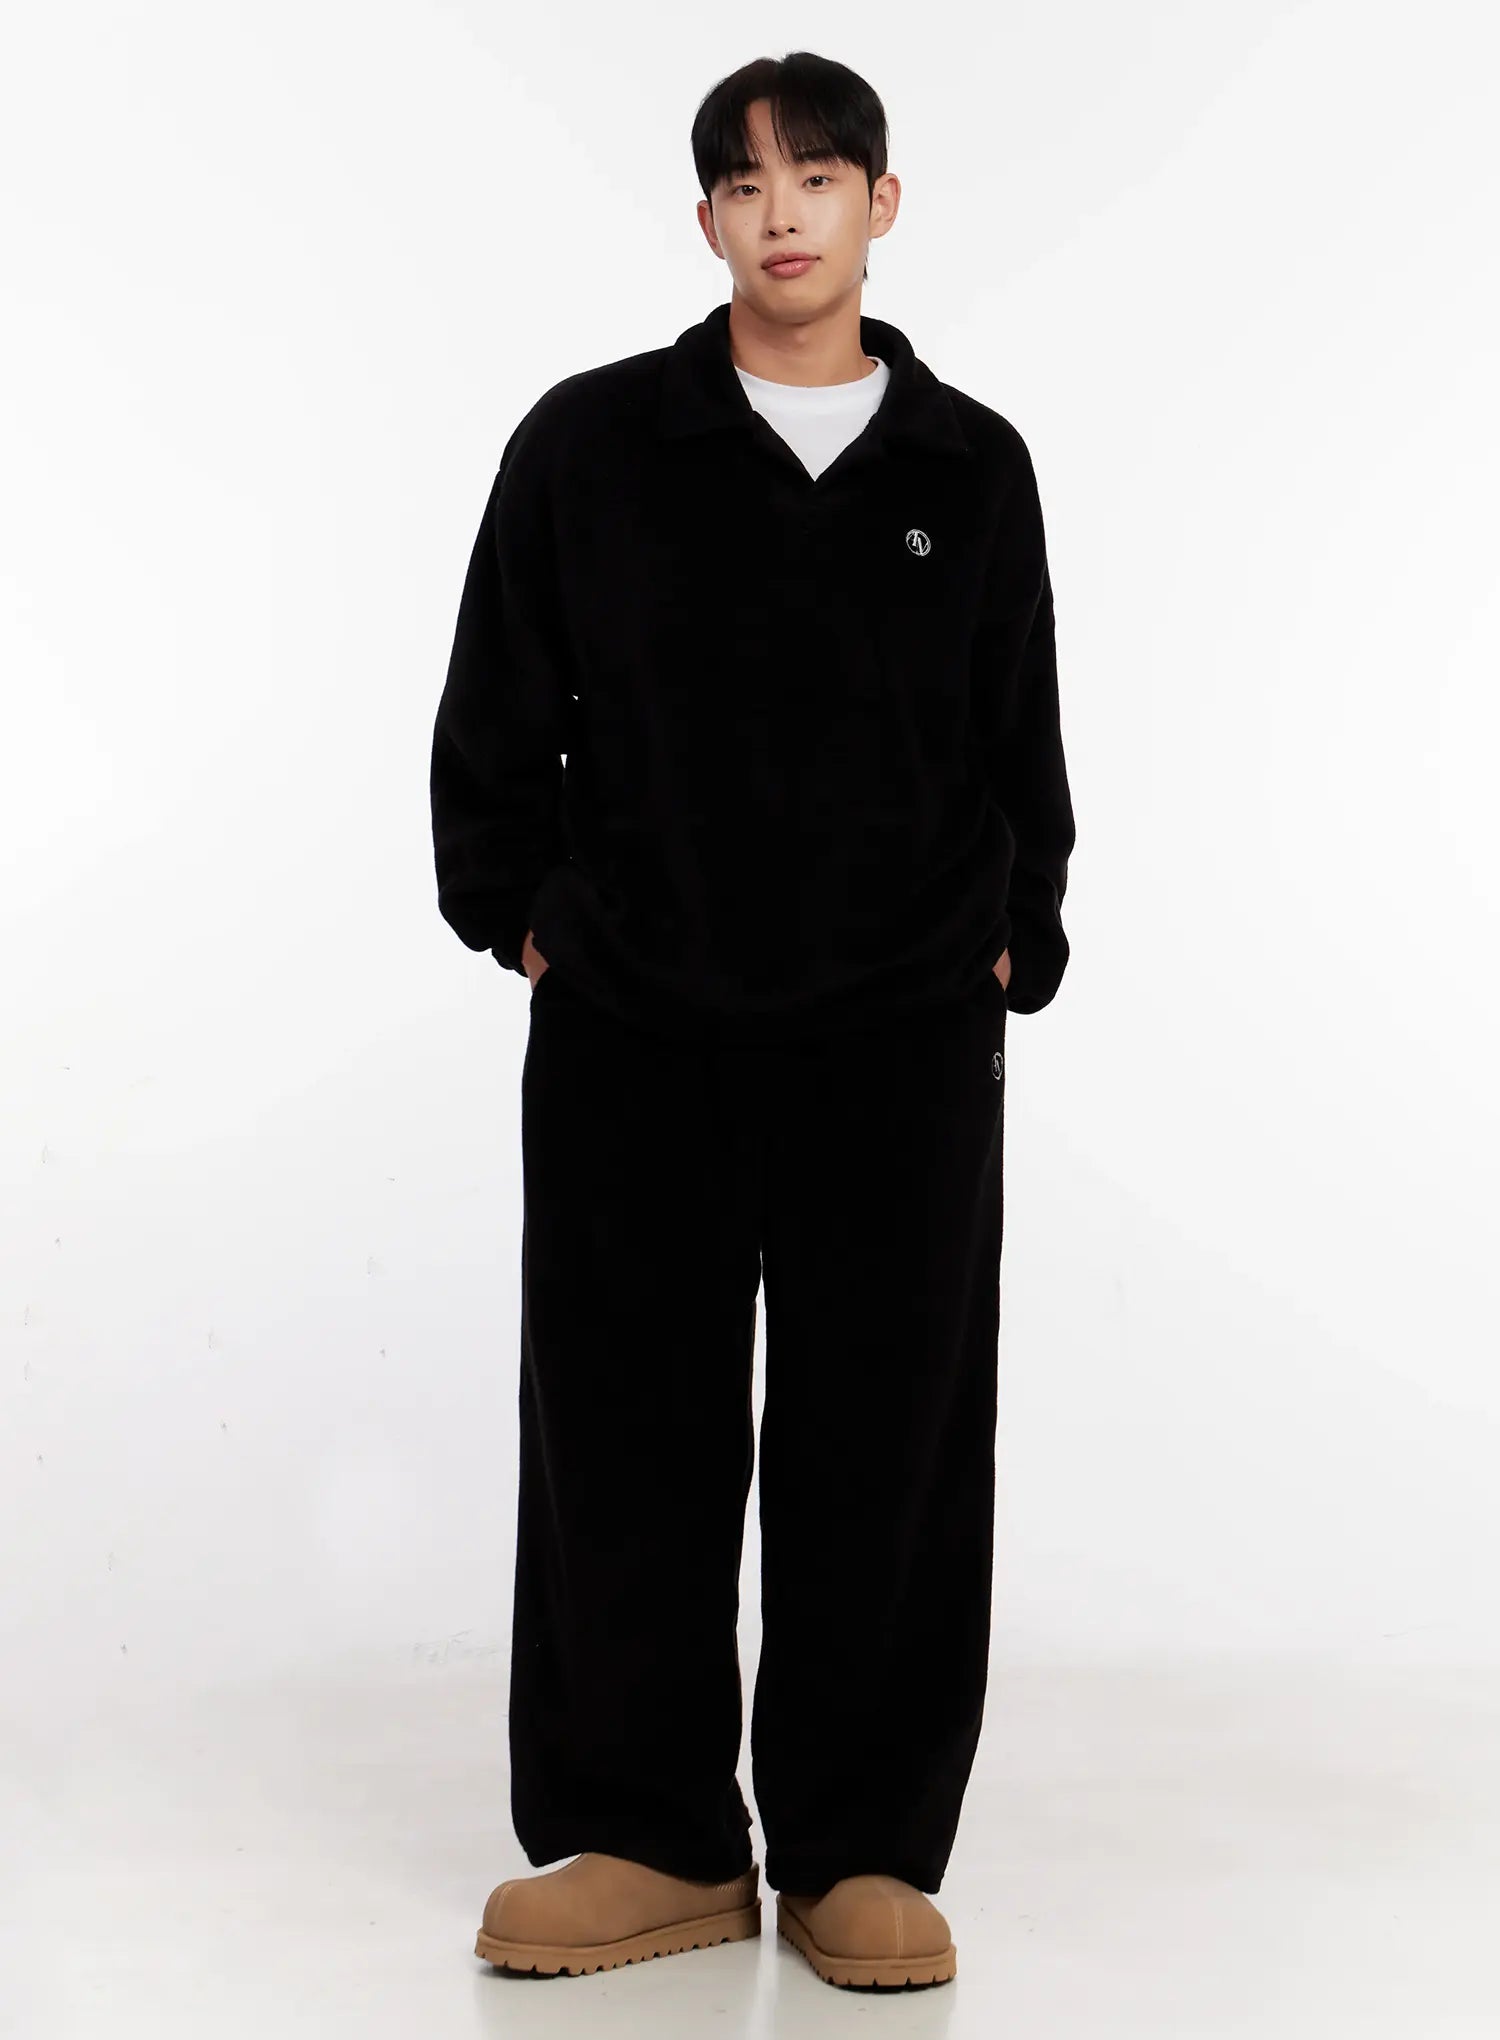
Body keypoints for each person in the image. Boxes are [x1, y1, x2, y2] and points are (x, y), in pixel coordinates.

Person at [432, 49, 1076, 1993]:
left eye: (817, 176)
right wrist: (531, 923)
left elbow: (1019, 744)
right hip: (637, 1026)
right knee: (622, 1428)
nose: (781, 212)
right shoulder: (593, 447)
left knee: (891, 1436)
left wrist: (1012, 939)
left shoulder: (970, 469)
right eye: (743, 182)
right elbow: (493, 723)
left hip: (902, 1038)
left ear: (884, 202)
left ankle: (862, 1845)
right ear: (706, 216)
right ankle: (651, 1837)